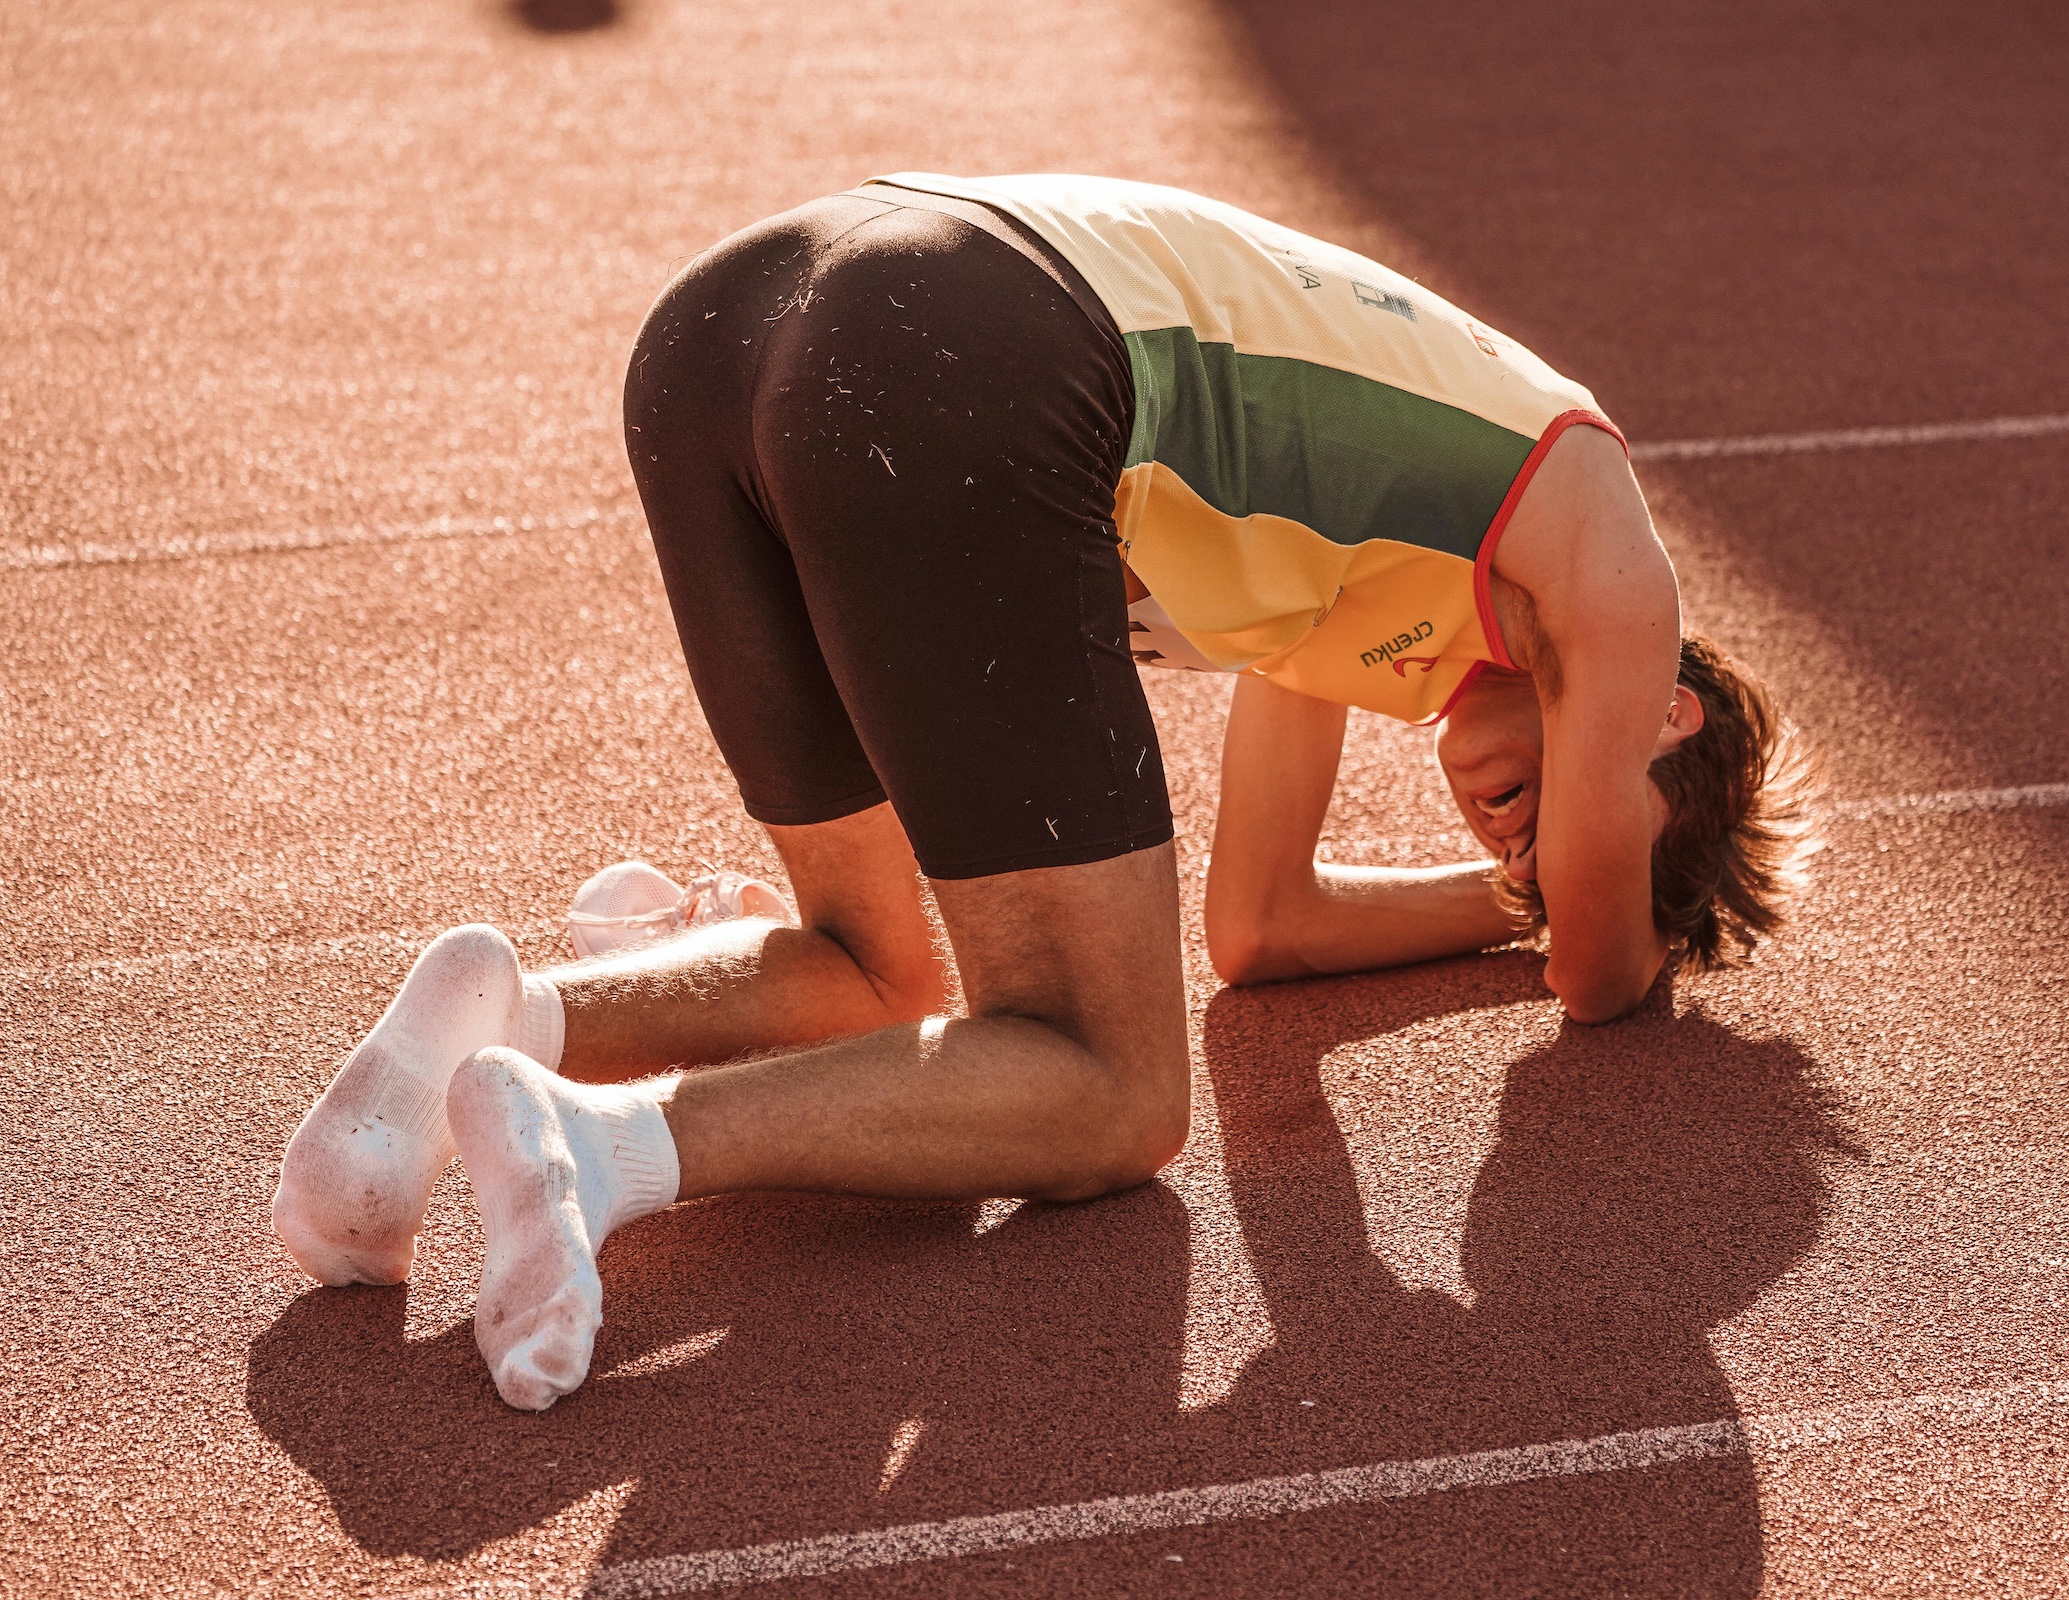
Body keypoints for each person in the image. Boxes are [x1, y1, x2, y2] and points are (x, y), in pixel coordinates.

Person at [270, 174, 1817, 1410]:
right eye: (1574, 812)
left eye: (1524, 847)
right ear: (1657, 713)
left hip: (733, 327)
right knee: (1114, 1092)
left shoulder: (1372, 607)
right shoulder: (1605, 559)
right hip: (956, 355)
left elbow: (1261, 927)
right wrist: (1577, 916)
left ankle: (485, 1024)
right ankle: (594, 1148)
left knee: (881, 977)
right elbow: (1598, 967)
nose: (1524, 833)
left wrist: (1507, 900)